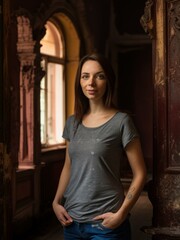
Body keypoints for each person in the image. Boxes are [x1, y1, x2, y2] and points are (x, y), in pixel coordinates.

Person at [52, 53, 147, 240]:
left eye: (99, 76)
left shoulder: (121, 121)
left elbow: (140, 173)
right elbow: (68, 166)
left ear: (109, 81)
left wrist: (121, 214)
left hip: (106, 225)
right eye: (85, 76)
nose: (91, 83)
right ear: (79, 81)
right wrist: (55, 202)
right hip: (72, 223)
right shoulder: (72, 123)